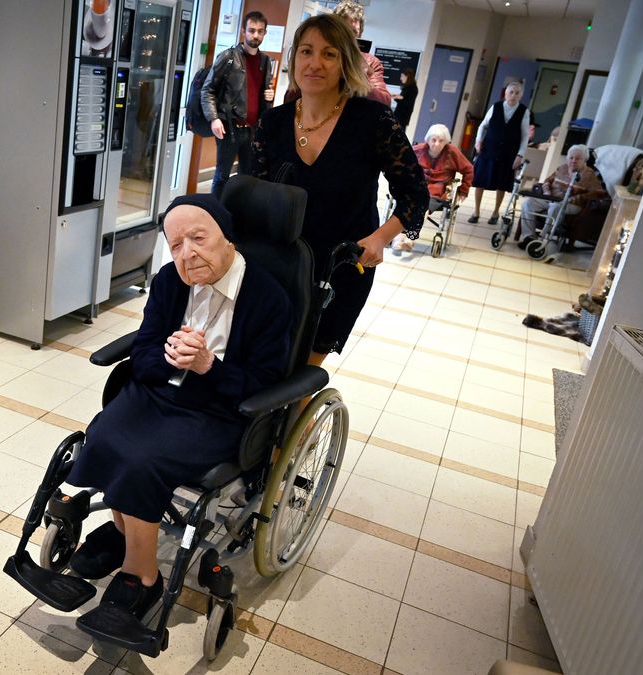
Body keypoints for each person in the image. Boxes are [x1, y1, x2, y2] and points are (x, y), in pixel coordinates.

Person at [66, 194, 292, 619]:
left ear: (227, 239)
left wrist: (209, 366)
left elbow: (263, 384)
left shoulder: (268, 297)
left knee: (141, 462)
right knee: (102, 437)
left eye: (198, 238)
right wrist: (169, 356)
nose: (186, 253)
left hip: (218, 408)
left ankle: (143, 577)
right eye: (175, 244)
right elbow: (147, 345)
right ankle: (125, 536)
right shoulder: (171, 281)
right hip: (158, 391)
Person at [253, 14, 428, 364]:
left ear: (345, 62)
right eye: (306, 51)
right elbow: (253, 196)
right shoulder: (273, 123)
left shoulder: (373, 122)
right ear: (294, 59)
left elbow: (415, 193)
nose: (315, 63)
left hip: (342, 266)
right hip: (278, 263)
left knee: (303, 370)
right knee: (259, 359)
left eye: (329, 54)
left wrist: (381, 237)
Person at [201, 11, 275, 198]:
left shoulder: (266, 61)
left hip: (253, 130)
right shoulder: (228, 57)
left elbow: (262, 95)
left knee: (248, 177)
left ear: (265, 33)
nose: (255, 35)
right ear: (243, 31)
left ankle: (239, 215)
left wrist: (270, 97)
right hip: (229, 128)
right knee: (222, 177)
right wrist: (214, 119)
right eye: (251, 30)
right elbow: (207, 90)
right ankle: (215, 213)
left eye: (260, 31)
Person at [392, 123, 472, 253]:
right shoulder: (417, 150)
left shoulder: (452, 153)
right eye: (433, 140)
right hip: (416, 187)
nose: (436, 144)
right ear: (428, 139)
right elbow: (399, 161)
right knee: (406, 203)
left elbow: (468, 169)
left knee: (422, 206)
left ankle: (408, 237)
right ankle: (399, 237)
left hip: (436, 191)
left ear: (446, 142)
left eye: (441, 141)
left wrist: (463, 191)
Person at [516, 144, 606, 247]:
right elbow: (547, 181)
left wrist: (577, 197)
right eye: (571, 157)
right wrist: (547, 192)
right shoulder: (562, 168)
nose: (573, 160)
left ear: (584, 160)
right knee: (528, 202)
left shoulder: (589, 175)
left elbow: (599, 193)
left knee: (555, 207)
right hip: (551, 198)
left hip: (572, 204)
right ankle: (529, 237)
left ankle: (542, 238)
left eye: (578, 158)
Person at [468, 80, 530, 225]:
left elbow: (525, 135)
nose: (513, 95)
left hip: (508, 153)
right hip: (488, 149)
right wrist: (478, 141)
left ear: (521, 95)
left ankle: (495, 212)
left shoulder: (524, 111)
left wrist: (520, 155)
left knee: (501, 184)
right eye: (511, 92)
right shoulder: (496, 107)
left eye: (517, 93)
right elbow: (483, 126)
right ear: (505, 93)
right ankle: (476, 211)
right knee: (480, 181)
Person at [331, 0, 392, 106]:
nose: (348, 36)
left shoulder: (370, 62)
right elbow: (294, 95)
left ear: (359, 34)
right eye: (343, 29)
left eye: (353, 31)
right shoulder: (321, 55)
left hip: (353, 118)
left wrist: (360, 80)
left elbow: (385, 101)